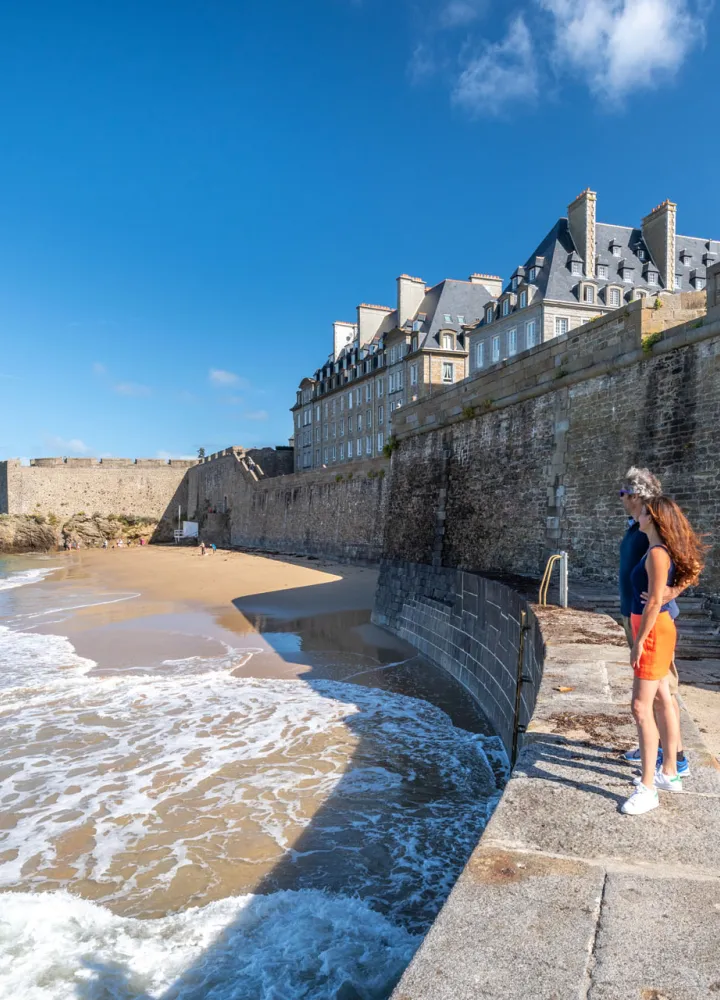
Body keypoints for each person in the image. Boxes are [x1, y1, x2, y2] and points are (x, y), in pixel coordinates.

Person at [621, 495, 704, 815]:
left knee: (641, 707)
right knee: (661, 700)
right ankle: (669, 772)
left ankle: (648, 788)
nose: (636, 516)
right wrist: (671, 591)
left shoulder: (657, 553)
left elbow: (654, 603)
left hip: (653, 631)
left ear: (652, 518)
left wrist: (639, 642)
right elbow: (662, 594)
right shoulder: (657, 551)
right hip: (656, 629)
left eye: (641, 512)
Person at [618, 468, 688, 777]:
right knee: (655, 692)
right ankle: (657, 749)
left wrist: (672, 590)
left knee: (663, 692)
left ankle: (677, 759)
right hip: (634, 613)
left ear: (635, 496)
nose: (620, 498)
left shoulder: (655, 532)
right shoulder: (637, 528)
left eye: (622, 493)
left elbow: (690, 562)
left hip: (655, 619)